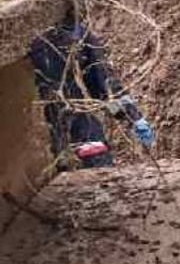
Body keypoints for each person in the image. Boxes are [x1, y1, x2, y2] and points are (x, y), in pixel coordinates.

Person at [30, 15, 156, 170]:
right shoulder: (76, 36)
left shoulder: (77, 35)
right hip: (76, 138)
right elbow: (104, 89)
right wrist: (133, 118)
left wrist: (131, 117)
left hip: (72, 140)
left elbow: (104, 90)